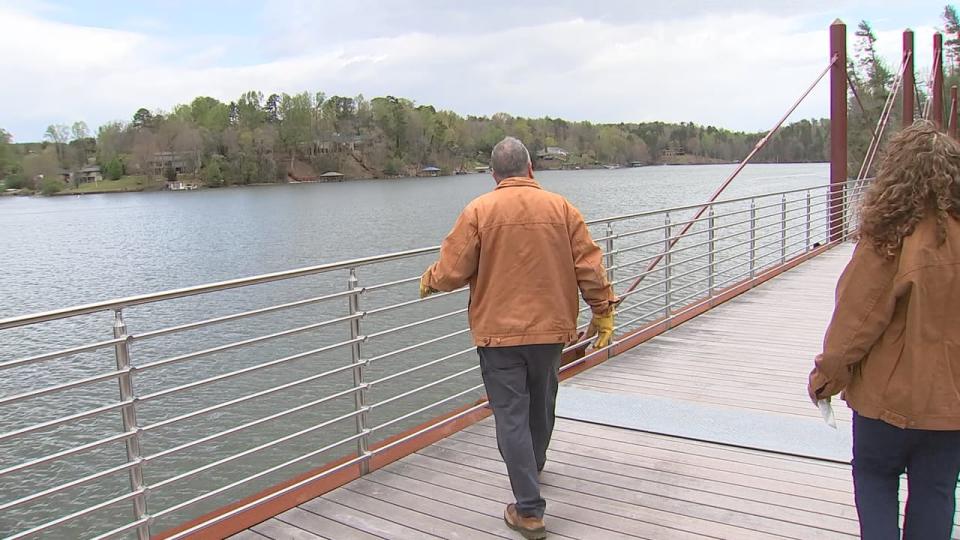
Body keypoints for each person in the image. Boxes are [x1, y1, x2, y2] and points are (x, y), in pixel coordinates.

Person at [420, 137, 618, 539]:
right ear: (530, 169)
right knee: (542, 403)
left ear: (494, 175)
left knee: (511, 415)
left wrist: (429, 281)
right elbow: (590, 268)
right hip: (551, 331)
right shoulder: (562, 208)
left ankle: (528, 510)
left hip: (498, 336)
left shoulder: (479, 210)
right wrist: (603, 312)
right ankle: (534, 464)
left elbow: (452, 270)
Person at [808, 120, 960, 540]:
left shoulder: (888, 239)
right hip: (949, 411)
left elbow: (854, 324)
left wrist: (826, 380)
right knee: (936, 495)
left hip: (884, 407)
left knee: (875, 483)